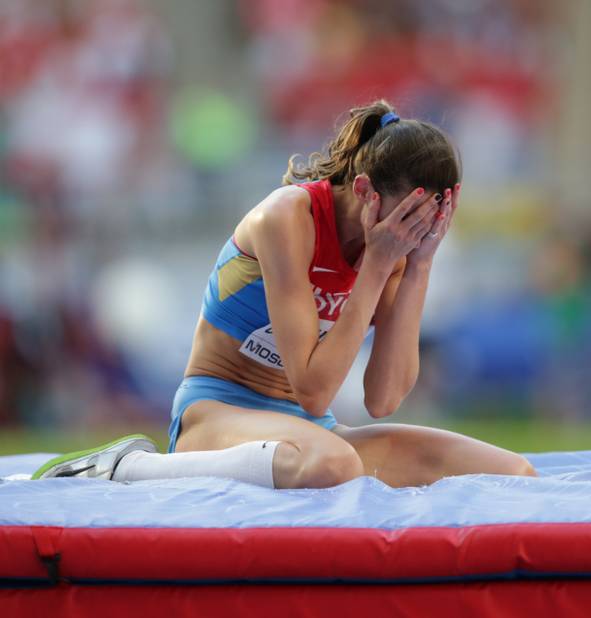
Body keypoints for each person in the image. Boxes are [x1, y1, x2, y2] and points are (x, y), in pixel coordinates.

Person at [32, 100, 537, 489]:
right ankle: (127, 468)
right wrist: (377, 267)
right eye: (408, 218)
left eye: (429, 221)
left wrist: (419, 265)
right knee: (334, 464)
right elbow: (313, 388)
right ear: (365, 191)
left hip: (306, 431)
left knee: (512, 473)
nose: (413, 232)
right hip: (217, 414)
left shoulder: (398, 244)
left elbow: (383, 398)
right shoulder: (287, 219)